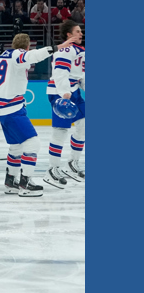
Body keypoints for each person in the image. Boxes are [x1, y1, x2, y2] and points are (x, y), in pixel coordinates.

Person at [0, 33, 75, 196]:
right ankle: (25, 184)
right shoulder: (19, 55)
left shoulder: (3, 57)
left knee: (17, 146)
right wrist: (58, 47)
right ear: (27, 46)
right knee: (33, 143)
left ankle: (11, 182)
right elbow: (34, 56)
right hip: (10, 106)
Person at [45, 20, 85, 188]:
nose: (81, 34)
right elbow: (60, 73)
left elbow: (81, 76)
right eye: (77, 31)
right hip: (59, 92)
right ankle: (52, 169)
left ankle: (72, 163)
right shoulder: (65, 50)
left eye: (81, 31)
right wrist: (64, 93)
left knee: (84, 125)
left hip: (73, 91)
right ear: (69, 35)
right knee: (60, 131)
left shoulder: (80, 51)